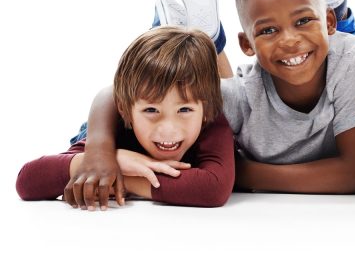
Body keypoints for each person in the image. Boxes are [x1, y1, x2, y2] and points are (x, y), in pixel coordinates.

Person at [66, 0, 355, 206]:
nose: (289, 41)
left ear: (327, 22)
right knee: (192, 86)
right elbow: (113, 94)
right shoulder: (240, 96)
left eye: (303, 21)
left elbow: (354, 174)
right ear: (247, 45)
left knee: (328, 45)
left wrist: (245, 175)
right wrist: (98, 149)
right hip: (253, 85)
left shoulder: (353, 59)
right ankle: (203, 43)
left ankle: (209, 38)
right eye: (268, 30)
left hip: (329, 42)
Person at [16, 26, 235, 209]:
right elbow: (27, 181)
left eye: (184, 110)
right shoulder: (119, 127)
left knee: (224, 87)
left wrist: (116, 174)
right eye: (151, 111)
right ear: (126, 111)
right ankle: (167, 23)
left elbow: (212, 189)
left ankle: (192, 29)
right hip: (109, 124)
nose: (168, 129)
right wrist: (101, 157)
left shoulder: (211, 119)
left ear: (205, 111)